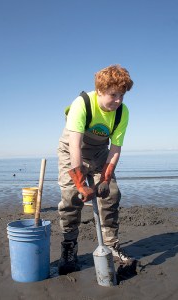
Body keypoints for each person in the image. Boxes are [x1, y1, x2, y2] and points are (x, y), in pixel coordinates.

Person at [57, 64, 134, 275]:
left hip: (100, 153)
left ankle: (111, 245)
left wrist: (106, 179)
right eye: (113, 95)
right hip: (72, 151)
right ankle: (69, 246)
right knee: (71, 196)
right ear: (100, 91)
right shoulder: (82, 103)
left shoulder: (122, 113)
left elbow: (115, 148)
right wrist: (81, 184)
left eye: (122, 95)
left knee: (112, 194)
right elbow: (74, 145)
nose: (118, 101)